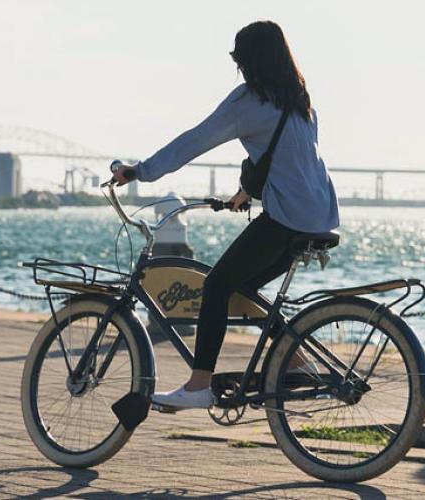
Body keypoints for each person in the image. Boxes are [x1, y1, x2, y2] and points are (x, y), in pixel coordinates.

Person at [113, 20, 339, 410]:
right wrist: (247, 192)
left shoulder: (249, 101)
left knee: (217, 285)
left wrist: (141, 170)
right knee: (242, 288)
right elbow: (289, 162)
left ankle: (199, 384)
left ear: (249, 61)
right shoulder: (299, 99)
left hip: (287, 219)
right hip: (319, 215)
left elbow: (195, 140)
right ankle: (298, 361)